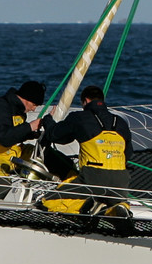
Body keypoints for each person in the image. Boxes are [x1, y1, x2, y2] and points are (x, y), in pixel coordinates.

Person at [39, 85, 132, 216]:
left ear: (86, 101)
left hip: (93, 177)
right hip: (121, 181)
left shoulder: (80, 117)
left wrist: (48, 120)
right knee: (115, 201)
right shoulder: (121, 122)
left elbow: (55, 136)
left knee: (49, 201)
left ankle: (87, 206)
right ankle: (119, 208)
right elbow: (128, 154)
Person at [0, 80, 45, 197]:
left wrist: (32, 134)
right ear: (27, 99)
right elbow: (4, 138)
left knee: (43, 156)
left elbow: (14, 134)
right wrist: (29, 126)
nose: (33, 109)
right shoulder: (0, 106)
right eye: (34, 105)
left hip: (11, 155)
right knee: (2, 191)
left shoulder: (19, 110)